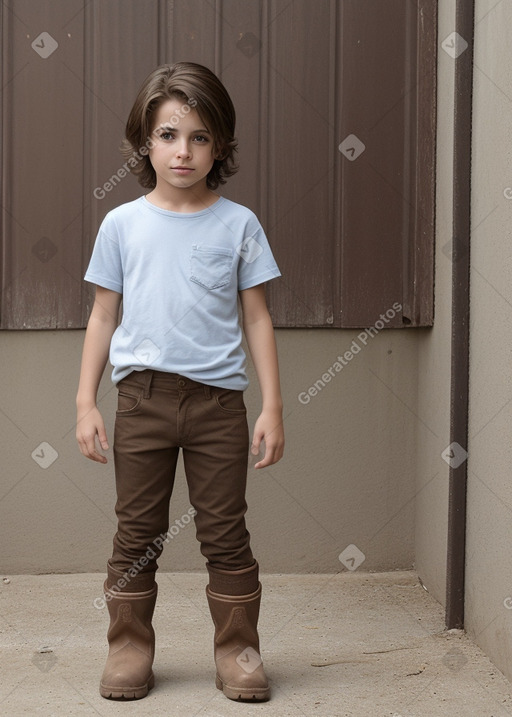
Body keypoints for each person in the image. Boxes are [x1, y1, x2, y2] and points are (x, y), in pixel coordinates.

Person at [75, 62, 284, 703]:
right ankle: (130, 646)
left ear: (219, 143)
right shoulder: (123, 225)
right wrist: (86, 400)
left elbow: (257, 316)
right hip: (142, 401)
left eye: (198, 136)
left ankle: (237, 651)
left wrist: (272, 405)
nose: (183, 151)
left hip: (219, 405)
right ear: (145, 141)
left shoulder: (238, 224)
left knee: (225, 530)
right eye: (168, 135)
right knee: (136, 531)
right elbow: (103, 314)